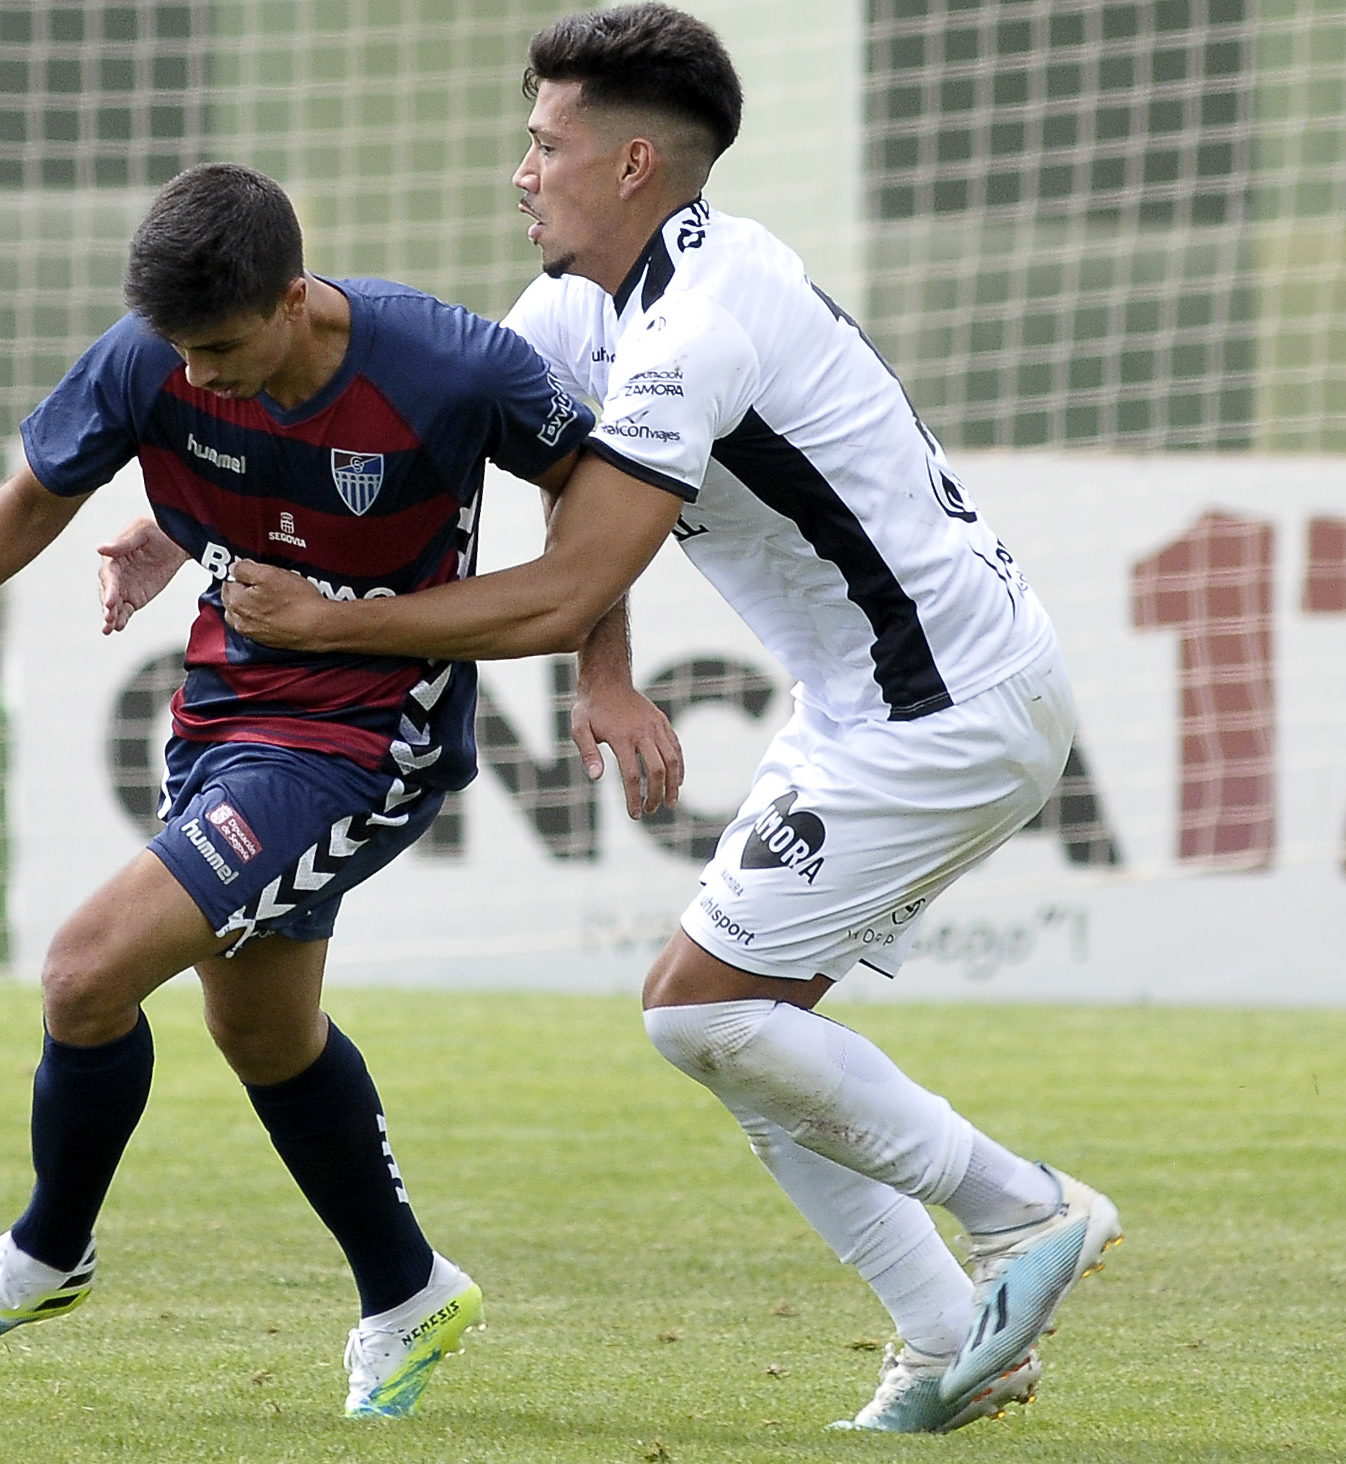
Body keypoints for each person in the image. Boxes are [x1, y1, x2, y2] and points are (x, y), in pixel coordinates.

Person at [207, 2, 1122, 1434]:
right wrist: (602, 675)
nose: (520, 171)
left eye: (545, 144)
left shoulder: (703, 321)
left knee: (697, 1012)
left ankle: (1023, 1209)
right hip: (876, 705)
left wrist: (330, 625)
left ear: (633, 163)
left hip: (943, 708)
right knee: (744, 1030)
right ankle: (954, 1338)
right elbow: (502, 451)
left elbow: (571, 577)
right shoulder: (584, 304)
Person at [0, 161, 598, 1417]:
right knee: (261, 1031)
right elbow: (34, 498)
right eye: (181, 353)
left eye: (221, 350)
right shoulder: (152, 358)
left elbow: (600, 509)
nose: (197, 377)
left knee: (85, 971)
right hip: (222, 712)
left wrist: (611, 676)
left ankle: (46, 1253)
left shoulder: (450, 368)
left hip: (364, 745)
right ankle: (409, 1289)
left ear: (294, 299)